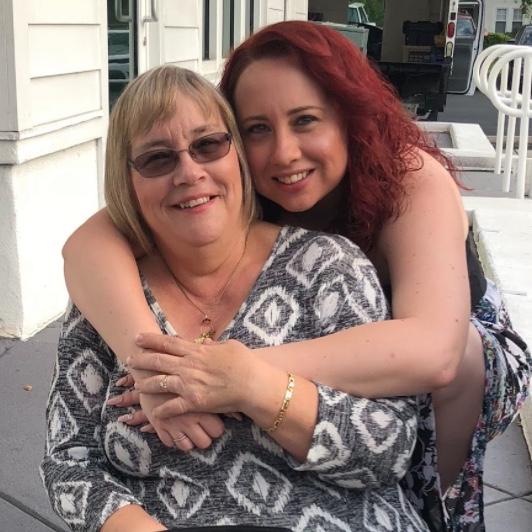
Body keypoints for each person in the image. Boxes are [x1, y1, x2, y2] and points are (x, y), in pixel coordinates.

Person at [60, 21, 531, 531]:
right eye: (257, 129)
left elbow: (435, 352)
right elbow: (87, 246)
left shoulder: (409, 181)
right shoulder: (223, 185)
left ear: (348, 117)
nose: (284, 152)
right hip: (337, 341)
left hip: (450, 343)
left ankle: (441, 513)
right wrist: (155, 367)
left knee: (457, 376)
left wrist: (225, 375)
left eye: (305, 120)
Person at [41, 64, 426, 532]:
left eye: (208, 145)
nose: (189, 172)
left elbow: (391, 449)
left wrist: (252, 388)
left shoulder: (327, 267)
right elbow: (69, 460)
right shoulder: (108, 295)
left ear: (236, 156)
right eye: (158, 159)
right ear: (128, 181)